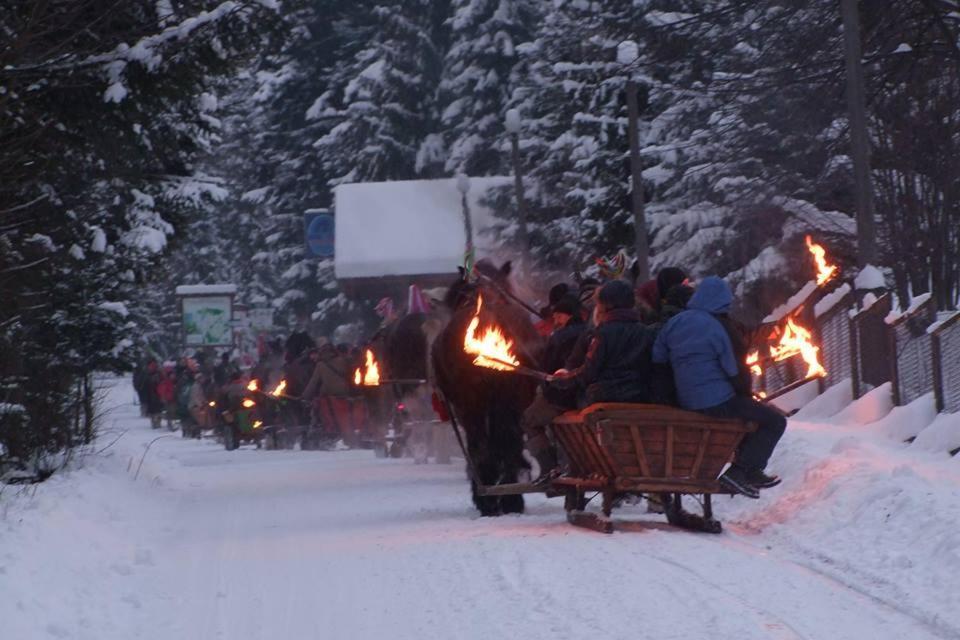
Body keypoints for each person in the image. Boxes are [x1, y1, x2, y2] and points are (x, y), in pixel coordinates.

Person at [652, 276, 786, 499]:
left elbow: (658, 358)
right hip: (717, 400)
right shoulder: (719, 327)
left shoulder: (675, 322)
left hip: (685, 399)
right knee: (774, 421)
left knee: (750, 416)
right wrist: (745, 395)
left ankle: (750, 471)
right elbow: (734, 369)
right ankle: (741, 471)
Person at [520, 294, 587, 478]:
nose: (555, 320)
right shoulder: (591, 331)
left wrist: (546, 385)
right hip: (584, 395)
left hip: (562, 397)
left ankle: (548, 468)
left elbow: (548, 367)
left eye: (558, 316)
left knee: (529, 420)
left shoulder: (559, 337)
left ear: (568, 315)